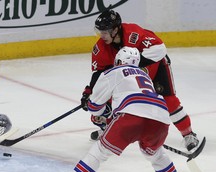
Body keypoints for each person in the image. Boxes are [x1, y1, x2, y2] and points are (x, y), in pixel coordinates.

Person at [52, 47, 188, 172]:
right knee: (155, 153)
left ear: (118, 61)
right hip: (161, 119)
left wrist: (98, 107)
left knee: (99, 152)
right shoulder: (144, 75)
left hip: (130, 117)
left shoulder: (112, 73)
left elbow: (95, 107)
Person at [81, 9, 199, 152]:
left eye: (105, 31)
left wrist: (136, 63)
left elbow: (160, 48)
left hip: (156, 70)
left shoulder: (134, 33)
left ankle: (188, 135)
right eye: (100, 31)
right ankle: (109, 129)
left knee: (169, 101)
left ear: (116, 29)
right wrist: (89, 91)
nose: (102, 36)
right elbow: (99, 72)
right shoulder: (101, 48)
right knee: (107, 107)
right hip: (132, 77)